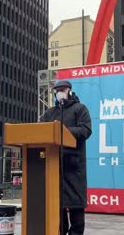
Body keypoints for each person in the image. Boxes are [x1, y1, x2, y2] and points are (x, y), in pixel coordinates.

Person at [39, 80, 92, 235]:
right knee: (58, 207)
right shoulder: (50, 113)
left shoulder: (80, 109)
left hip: (74, 166)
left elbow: (85, 130)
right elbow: (41, 130)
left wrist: (62, 131)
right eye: (57, 90)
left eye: (62, 89)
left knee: (76, 208)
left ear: (69, 90)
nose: (59, 92)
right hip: (54, 165)